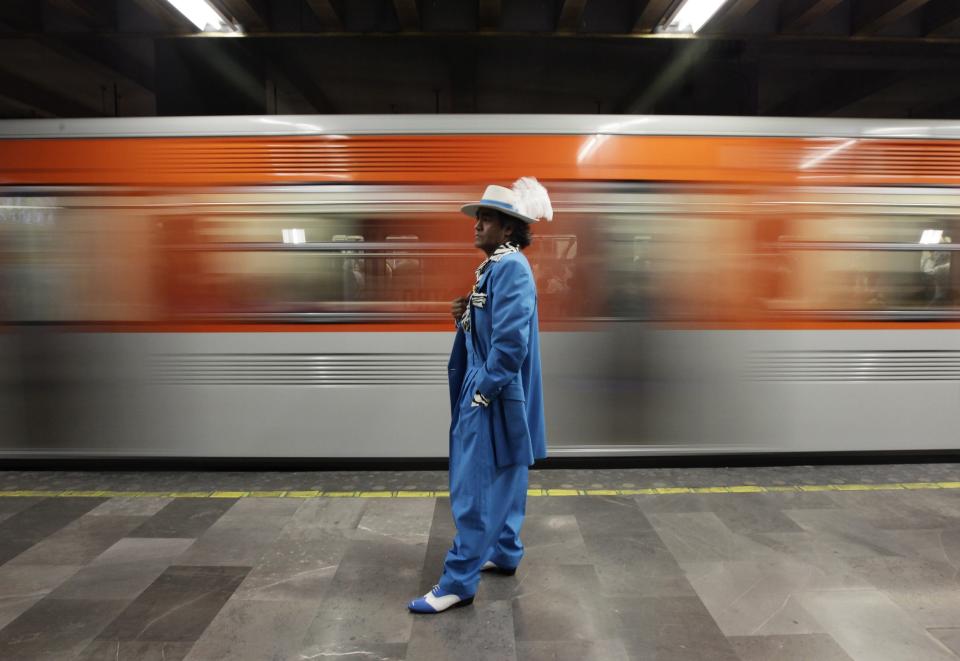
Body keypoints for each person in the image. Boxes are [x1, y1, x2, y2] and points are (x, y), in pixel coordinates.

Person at [408, 177, 551, 614]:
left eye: (486, 219)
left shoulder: (509, 267)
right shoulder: (499, 265)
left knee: (475, 487)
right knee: (509, 474)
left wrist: (483, 393)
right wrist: (465, 311)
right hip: (497, 389)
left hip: (492, 392)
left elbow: (510, 343)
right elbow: (495, 328)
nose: (476, 225)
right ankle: (505, 552)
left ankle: (458, 581)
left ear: (508, 229)